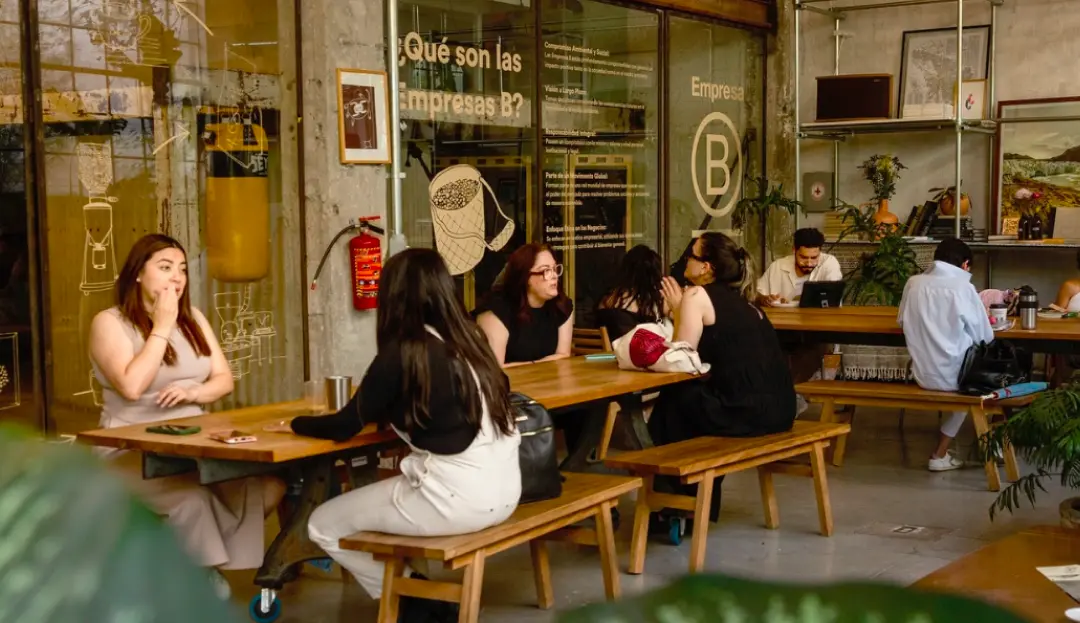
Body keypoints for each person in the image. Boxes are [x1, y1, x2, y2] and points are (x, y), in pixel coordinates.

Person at [290, 248, 521, 623]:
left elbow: (343, 427)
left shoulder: (405, 351)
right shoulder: (471, 341)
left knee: (322, 524)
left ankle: (414, 603)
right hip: (507, 492)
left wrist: (293, 424)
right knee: (383, 503)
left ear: (393, 296)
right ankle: (417, 593)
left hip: (457, 501)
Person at [88, 233, 285, 599]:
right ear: (137, 274)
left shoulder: (192, 317)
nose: (176, 278)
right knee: (193, 499)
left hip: (194, 442)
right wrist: (162, 327)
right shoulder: (110, 323)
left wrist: (195, 392)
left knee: (267, 488)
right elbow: (131, 386)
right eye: (164, 268)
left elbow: (223, 379)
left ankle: (191, 566)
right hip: (130, 446)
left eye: (181, 269)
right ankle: (197, 582)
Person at [649, 233, 797, 524]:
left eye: (691, 255)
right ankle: (690, 503)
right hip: (782, 411)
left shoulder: (695, 296)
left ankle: (678, 505)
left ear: (706, 268)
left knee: (674, 400)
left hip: (745, 415)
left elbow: (681, 361)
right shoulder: (748, 303)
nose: (685, 261)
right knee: (692, 403)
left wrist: (679, 310)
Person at [898, 237, 994, 472]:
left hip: (922, 375)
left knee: (964, 381)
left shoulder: (913, 283)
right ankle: (994, 448)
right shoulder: (964, 287)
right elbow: (985, 337)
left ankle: (941, 454)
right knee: (983, 380)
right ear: (965, 265)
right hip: (956, 377)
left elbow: (901, 320)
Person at [475, 243, 574, 367]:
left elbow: (563, 356)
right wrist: (536, 365)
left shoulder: (561, 305)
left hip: (545, 382)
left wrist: (531, 366)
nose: (554, 276)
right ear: (526, 277)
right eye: (546, 270)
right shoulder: (496, 311)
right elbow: (495, 370)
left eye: (554, 269)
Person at [596, 244, 674, 341]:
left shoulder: (610, 298)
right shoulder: (656, 303)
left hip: (609, 354)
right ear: (655, 274)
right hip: (640, 353)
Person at [756, 227, 842, 307]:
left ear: (820, 252)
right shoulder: (778, 266)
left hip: (818, 320)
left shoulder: (829, 263)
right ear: (794, 250)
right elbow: (754, 294)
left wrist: (796, 299)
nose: (809, 263)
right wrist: (763, 299)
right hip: (782, 319)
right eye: (803, 257)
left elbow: (831, 296)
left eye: (814, 257)